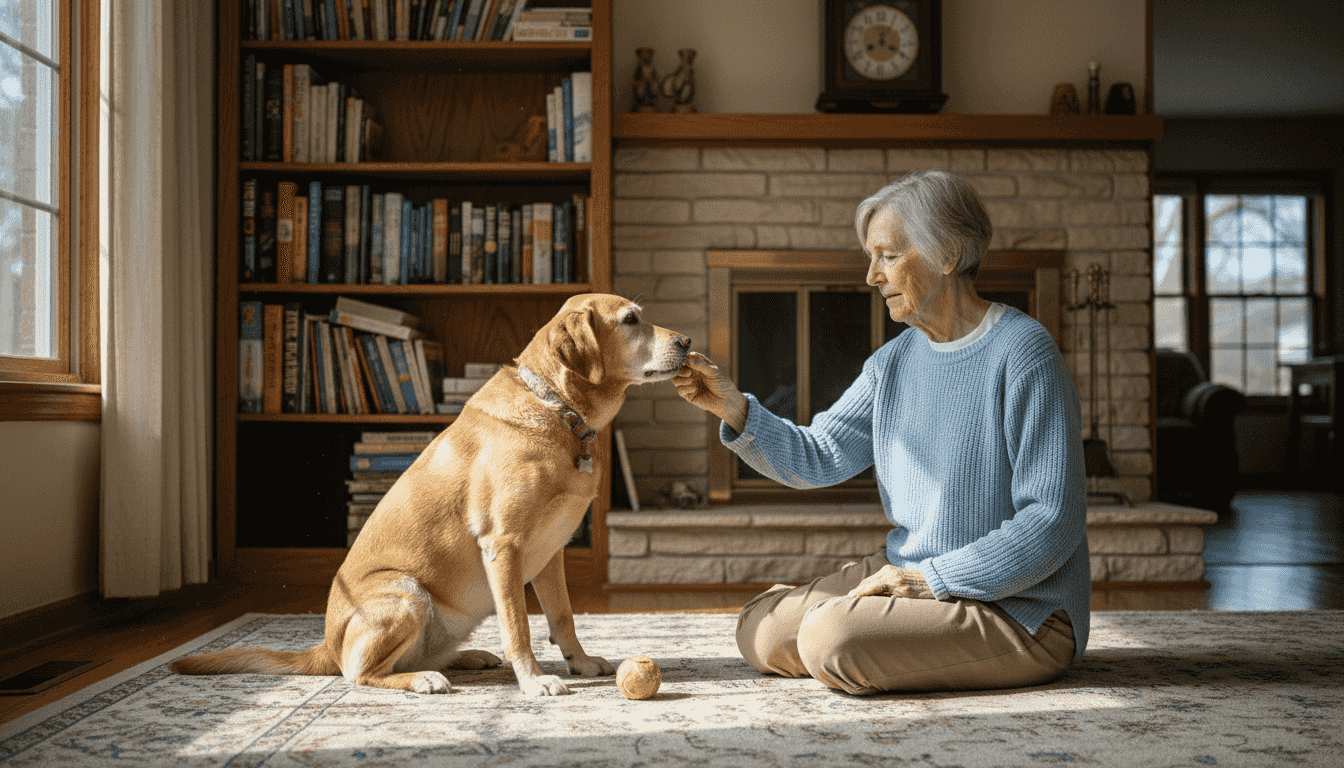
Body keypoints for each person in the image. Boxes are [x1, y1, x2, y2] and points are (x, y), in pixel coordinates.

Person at [673, 169, 1089, 695]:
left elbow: (1053, 522)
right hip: (914, 573)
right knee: (762, 630)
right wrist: (735, 409)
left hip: (1020, 609)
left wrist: (926, 581)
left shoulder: (1024, 354)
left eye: (888, 256)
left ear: (948, 254)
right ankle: (859, 624)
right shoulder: (893, 363)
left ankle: (853, 625)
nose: (871, 276)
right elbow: (820, 454)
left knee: (828, 638)